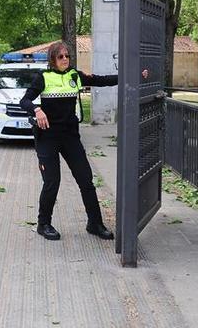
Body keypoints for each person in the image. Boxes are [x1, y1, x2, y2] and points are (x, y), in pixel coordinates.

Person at [19, 41, 136, 241]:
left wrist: (131, 76)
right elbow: (25, 100)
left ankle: (95, 223)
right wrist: (37, 110)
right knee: (52, 181)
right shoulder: (43, 77)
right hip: (47, 137)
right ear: (53, 59)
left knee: (85, 179)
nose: (65, 59)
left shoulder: (75, 76)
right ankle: (43, 224)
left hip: (70, 136)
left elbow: (102, 80)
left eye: (67, 56)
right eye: (61, 56)